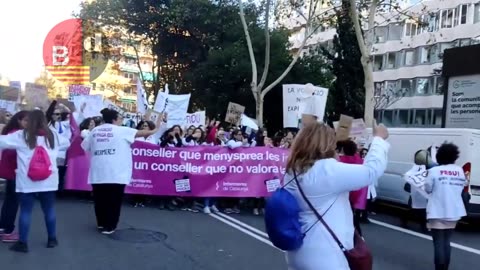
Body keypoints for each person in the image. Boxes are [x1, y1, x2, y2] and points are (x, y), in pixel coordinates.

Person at [284, 122, 389, 270]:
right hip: (325, 253)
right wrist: (379, 140)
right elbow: (371, 171)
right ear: (326, 145)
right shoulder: (326, 171)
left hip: (298, 250)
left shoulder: (292, 170)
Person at [0, 110, 70, 253]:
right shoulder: (53, 135)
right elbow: (67, 143)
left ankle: (23, 243)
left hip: (26, 181)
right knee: (49, 210)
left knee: (26, 211)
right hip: (49, 180)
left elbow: (2, 142)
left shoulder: (21, 135)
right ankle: (52, 239)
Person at [81, 108, 159, 235]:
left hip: (98, 171)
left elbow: (85, 147)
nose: (122, 120)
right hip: (116, 171)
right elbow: (145, 133)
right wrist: (156, 128)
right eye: (121, 118)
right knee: (114, 200)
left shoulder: (95, 131)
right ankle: (110, 226)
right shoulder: (122, 130)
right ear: (114, 119)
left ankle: (101, 223)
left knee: (100, 199)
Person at [424, 143, 467, 270]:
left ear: (439, 156)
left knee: (438, 242)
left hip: (437, 210)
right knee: (446, 242)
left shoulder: (434, 171)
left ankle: (439, 268)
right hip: (454, 210)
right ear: (454, 156)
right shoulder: (459, 171)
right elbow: (462, 186)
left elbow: (427, 188)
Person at [0, 111, 28, 243]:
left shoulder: (10, 132)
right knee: (12, 203)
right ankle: (8, 231)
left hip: (9, 172)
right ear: (18, 120)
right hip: (15, 172)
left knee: (9, 201)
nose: (28, 124)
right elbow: (14, 155)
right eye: (26, 121)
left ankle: (4, 227)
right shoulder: (18, 134)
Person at [338, 140, 367, 236]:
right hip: (357, 194)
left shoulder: (339, 161)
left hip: (342, 196)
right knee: (353, 219)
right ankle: (359, 237)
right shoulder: (360, 161)